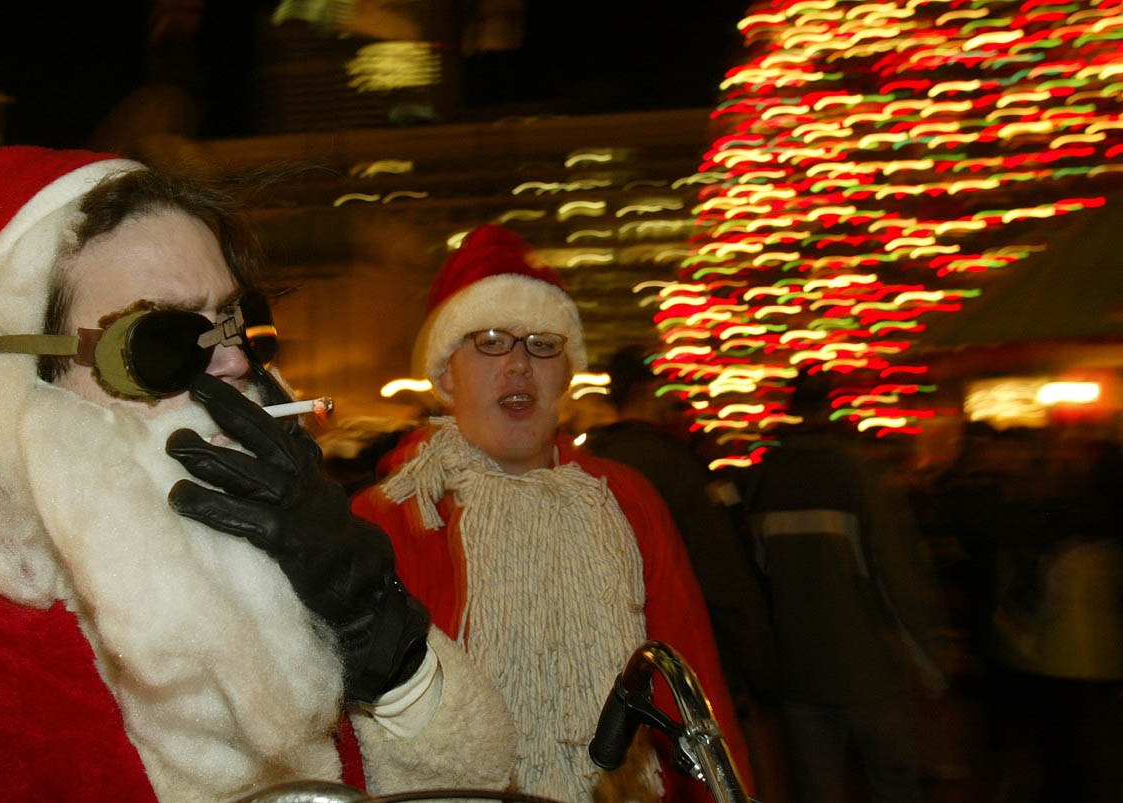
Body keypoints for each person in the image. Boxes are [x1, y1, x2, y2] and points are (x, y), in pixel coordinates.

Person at [0, 147, 516, 802]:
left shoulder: (293, 540)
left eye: (236, 319)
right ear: (24, 382)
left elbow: (469, 784)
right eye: (162, 341)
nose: (233, 362)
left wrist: (392, 651)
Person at [351, 224, 753, 802]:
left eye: (542, 343)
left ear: (566, 372)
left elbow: (688, 684)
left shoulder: (627, 500)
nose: (518, 365)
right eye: (490, 340)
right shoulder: (392, 517)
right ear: (445, 375)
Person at [584, 345, 788, 803]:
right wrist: (762, 665)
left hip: (604, 679)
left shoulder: (585, 463)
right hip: (682, 661)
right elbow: (723, 575)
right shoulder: (676, 466)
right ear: (645, 391)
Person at [741, 371, 947, 803]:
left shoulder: (764, 479)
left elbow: (759, 577)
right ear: (835, 408)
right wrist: (928, 663)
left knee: (819, 790)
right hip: (870, 671)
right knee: (893, 786)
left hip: (800, 672)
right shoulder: (860, 475)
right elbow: (895, 578)